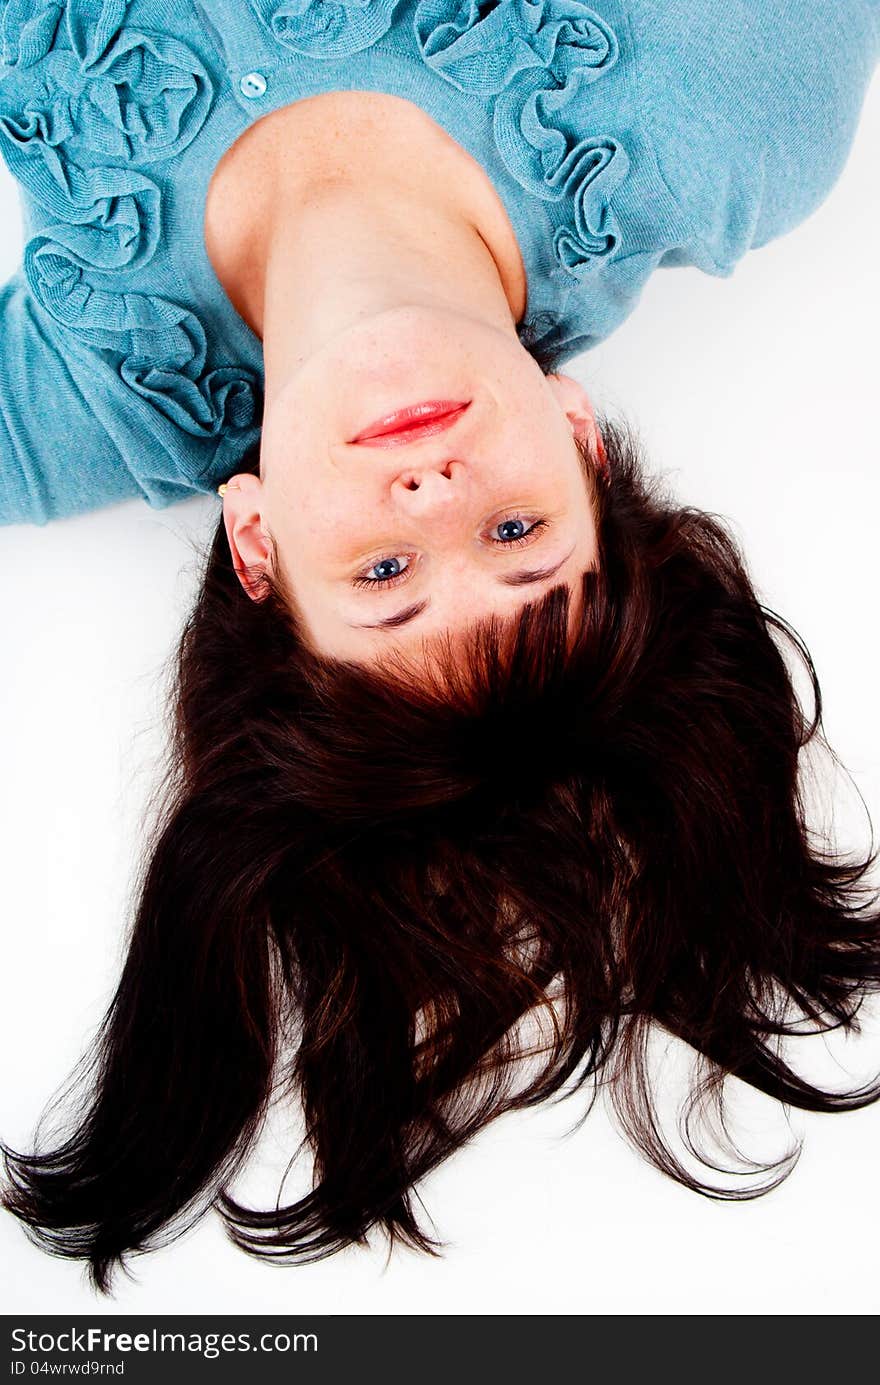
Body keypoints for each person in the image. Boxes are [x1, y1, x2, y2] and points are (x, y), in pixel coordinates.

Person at [1, 1, 879, 1294]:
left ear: (256, 550)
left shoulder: (81, 399)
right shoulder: (729, 115)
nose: (433, 494)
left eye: (387, 577)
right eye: (519, 531)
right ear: (583, 441)